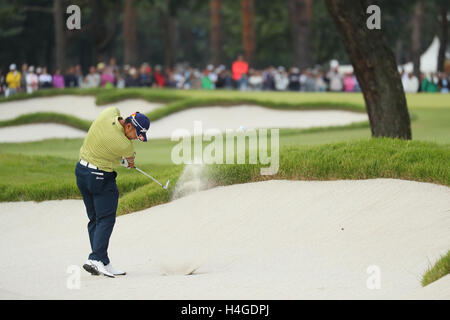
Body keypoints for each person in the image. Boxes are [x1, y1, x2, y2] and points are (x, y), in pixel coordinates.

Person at [76, 108, 150, 278]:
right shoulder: (125, 145)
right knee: (106, 219)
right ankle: (94, 259)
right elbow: (129, 159)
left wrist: (120, 160)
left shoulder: (109, 113)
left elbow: (111, 150)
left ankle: (103, 260)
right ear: (129, 127)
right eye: (136, 135)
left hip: (81, 172)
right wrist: (128, 162)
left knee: (94, 219)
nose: (135, 139)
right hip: (100, 178)